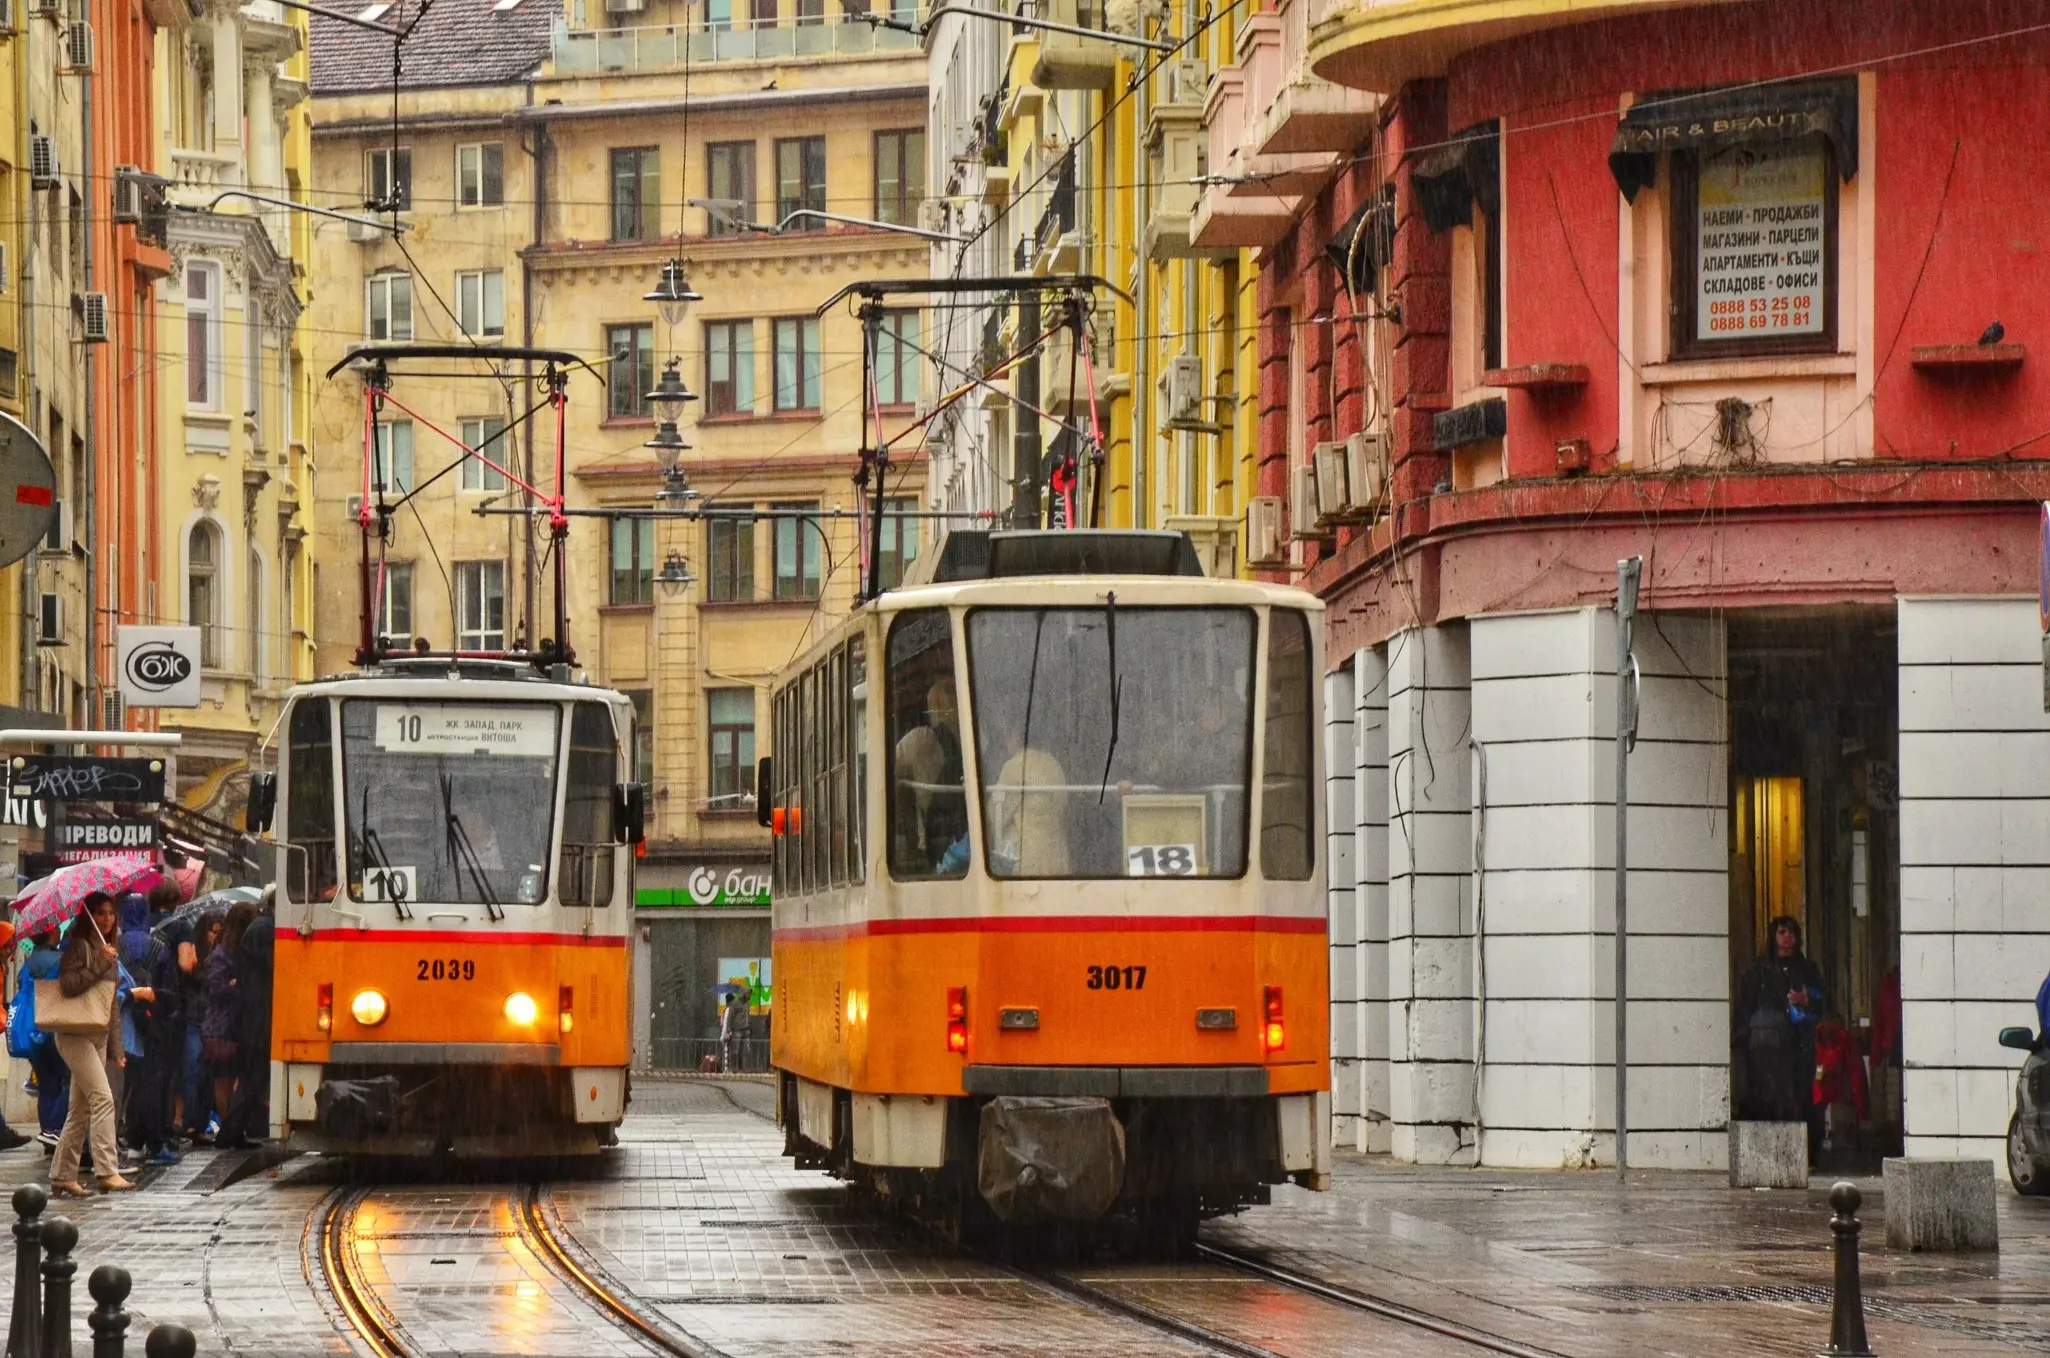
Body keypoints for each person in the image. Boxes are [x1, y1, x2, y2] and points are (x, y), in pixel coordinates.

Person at [47, 892, 135, 1195]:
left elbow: (109, 1004)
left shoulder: (109, 949)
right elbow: (68, 986)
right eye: (100, 914)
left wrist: (116, 1049)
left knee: (80, 1109)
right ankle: (106, 1171)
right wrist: (100, 962)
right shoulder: (78, 947)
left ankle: (62, 1175)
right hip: (74, 1034)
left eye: (111, 913)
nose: (107, 919)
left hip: (97, 1035)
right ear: (89, 917)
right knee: (103, 1098)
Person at [1737, 914, 1826, 1159]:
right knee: (1769, 1095)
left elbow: (1822, 1002)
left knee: (1802, 1094)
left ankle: (1807, 1151)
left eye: (1790, 933)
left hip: (1801, 1042)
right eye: (1781, 933)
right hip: (1768, 1046)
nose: (1787, 938)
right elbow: (1746, 1006)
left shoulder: (1808, 969)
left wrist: (1805, 1000)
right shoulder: (1759, 971)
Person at [219, 891, 275, 1149]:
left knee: (252, 1076)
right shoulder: (265, 929)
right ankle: (231, 1133)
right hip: (257, 1017)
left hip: (253, 1014)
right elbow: (271, 966)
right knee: (252, 1076)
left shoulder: (258, 927)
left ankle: (235, 1131)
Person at [894, 676, 967, 871]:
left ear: (933, 708)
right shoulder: (976, 736)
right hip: (965, 834)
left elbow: (888, 771)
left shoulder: (920, 739)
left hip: (931, 837)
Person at [203, 903, 257, 1137]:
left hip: (234, 1022)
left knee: (233, 1076)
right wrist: (238, 987)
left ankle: (232, 1124)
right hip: (222, 1025)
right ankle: (227, 1125)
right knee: (224, 1079)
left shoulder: (235, 949)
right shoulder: (223, 952)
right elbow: (216, 988)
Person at [986, 726, 1071, 876]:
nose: (1006, 745)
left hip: (1027, 858)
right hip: (1057, 853)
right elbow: (1062, 805)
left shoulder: (1013, 767)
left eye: (1007, 739)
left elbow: (995, 816)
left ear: (1016, 737)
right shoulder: (1053, 764)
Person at [21, 926, 71, 1150]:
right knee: (70, 1079)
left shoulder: (27, 964)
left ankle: (46, 1135)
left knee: (47, 1084)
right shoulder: (61, 960)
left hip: (32, 1029)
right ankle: (54, 1130)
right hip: (55, 1026)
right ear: (51, 934)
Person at [719, 989, 751, 1073]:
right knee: (735, 1051)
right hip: (737, 1030)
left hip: (746, 1029)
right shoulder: (735, 1003)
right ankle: (734, 1069)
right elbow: (730, 1017)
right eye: (748, 993)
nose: (749, 995)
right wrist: (729, 1029)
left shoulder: (747, 1004)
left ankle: (744, 1068)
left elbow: (748, 1016)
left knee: (745, 1051)